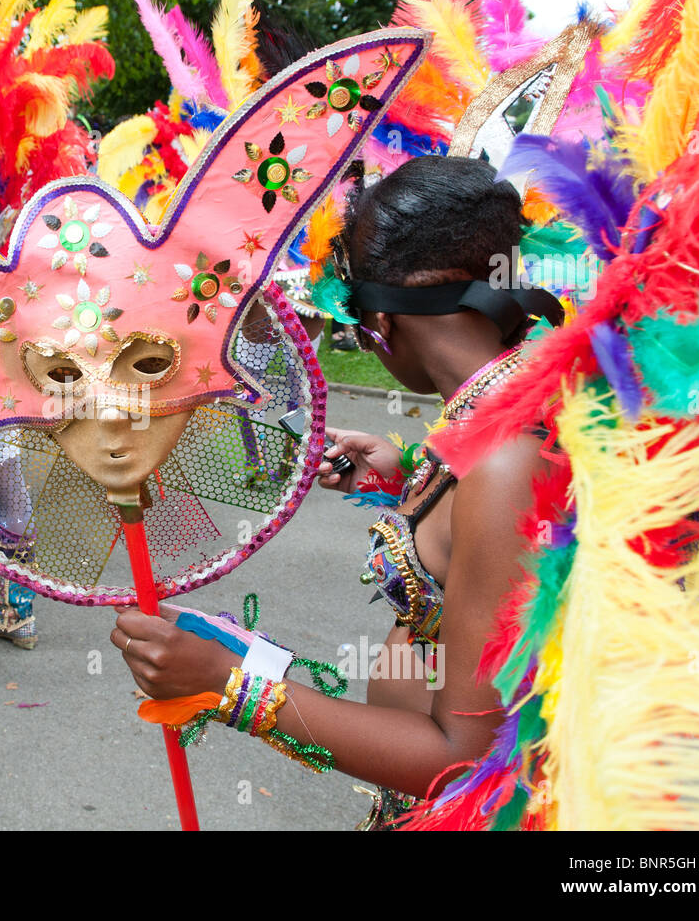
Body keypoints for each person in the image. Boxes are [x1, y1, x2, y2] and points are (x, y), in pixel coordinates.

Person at [111, 156, 564, 826]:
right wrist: (405, 472)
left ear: (379, 321)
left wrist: (230, 684)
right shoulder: (513, 394)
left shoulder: (505, 464)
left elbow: (463, 759)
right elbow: (486, 556)